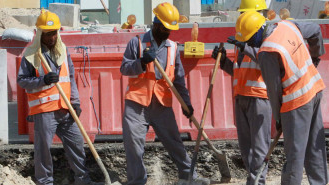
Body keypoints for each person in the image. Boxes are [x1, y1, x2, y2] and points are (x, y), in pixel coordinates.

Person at [120, 2, 210, 185]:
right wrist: (141, 62)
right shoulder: (136, 42)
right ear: (156, 24)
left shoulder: (173, 48)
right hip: (137, 103)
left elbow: (178, 80)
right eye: (165, 28)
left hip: (161, 104)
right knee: (134, 146)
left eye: (170, 29)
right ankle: (137, 181)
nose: (168, 32)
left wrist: (187, 103)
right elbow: (124, 68)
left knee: (174, 142)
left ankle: (188, 177)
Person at [235, 11, 328, 185]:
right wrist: (315, 57)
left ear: (257, 31)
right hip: (314, 90)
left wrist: (278, 119)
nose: (249, 43)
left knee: (294, 156)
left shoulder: (266, 51)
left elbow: (274, 90)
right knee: (315, 149)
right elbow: (315, 29)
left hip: (296, 102)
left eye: (249, 39)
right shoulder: (287, 25)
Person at [17, 10, 100, 185]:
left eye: (54, 33)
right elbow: (22, 81)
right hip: (45, 110)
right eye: (48, 34)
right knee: (43, 150)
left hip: (65, 108)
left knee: (77, 144)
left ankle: (82, 180)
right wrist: (42, 80)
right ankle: (45, 182)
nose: (52, 38)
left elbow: (70, 78)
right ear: (40, 33)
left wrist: (75, 102)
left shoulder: (63, 51)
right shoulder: (31, 55)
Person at [211, 1, 272, 184]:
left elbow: (267, 63)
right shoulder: (242, 40)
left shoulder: (266, 37)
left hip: (259, 97)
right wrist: (223, 62)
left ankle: (257, 182)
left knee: (260, 147)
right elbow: (239, 70)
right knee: (246, 148)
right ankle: (252, 179)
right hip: (241, 97)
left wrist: (246, 47)